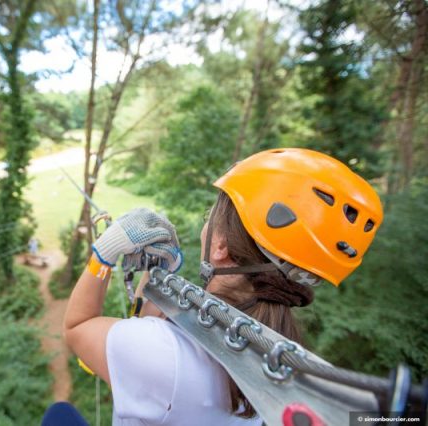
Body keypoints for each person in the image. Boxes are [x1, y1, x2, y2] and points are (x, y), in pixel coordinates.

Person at [60, 148, 383, 425]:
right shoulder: (281, 356)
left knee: (59, 414)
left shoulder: (159, 354)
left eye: (209, 216)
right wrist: (156, 273)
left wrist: (103, 255)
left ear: (221, 246)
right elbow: (156, 336)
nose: (206, 224)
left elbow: (77, 327)